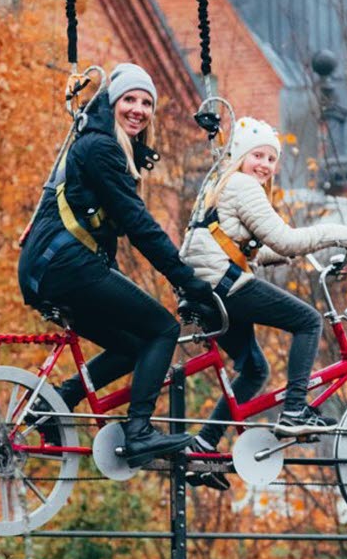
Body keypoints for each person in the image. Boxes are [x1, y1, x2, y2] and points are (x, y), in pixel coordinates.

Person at [18, 63, 213, 466]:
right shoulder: (102, 148)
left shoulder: (101, 145)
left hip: (50, 267)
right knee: (163, 328)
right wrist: (187, 280)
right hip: (66, 265)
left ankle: (54, 402)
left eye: (146, 102)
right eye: (130, 99)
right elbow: (138, 224)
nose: (139, 109)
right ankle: (138, 432)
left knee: (135, 345)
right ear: (112, 102)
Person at [180, 117, 347, 451]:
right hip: (225, 286)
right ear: (241, 157)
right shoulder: (243, 185)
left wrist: (266, 257)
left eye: (271, 158)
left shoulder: (222, 184)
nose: (264, 165)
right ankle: (294, 411)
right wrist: (338, 232)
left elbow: (223, 239)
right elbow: (287, 239)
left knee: (254, 370)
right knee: (308, 321)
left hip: (205, 286)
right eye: (257, 156)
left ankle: (204, 442)